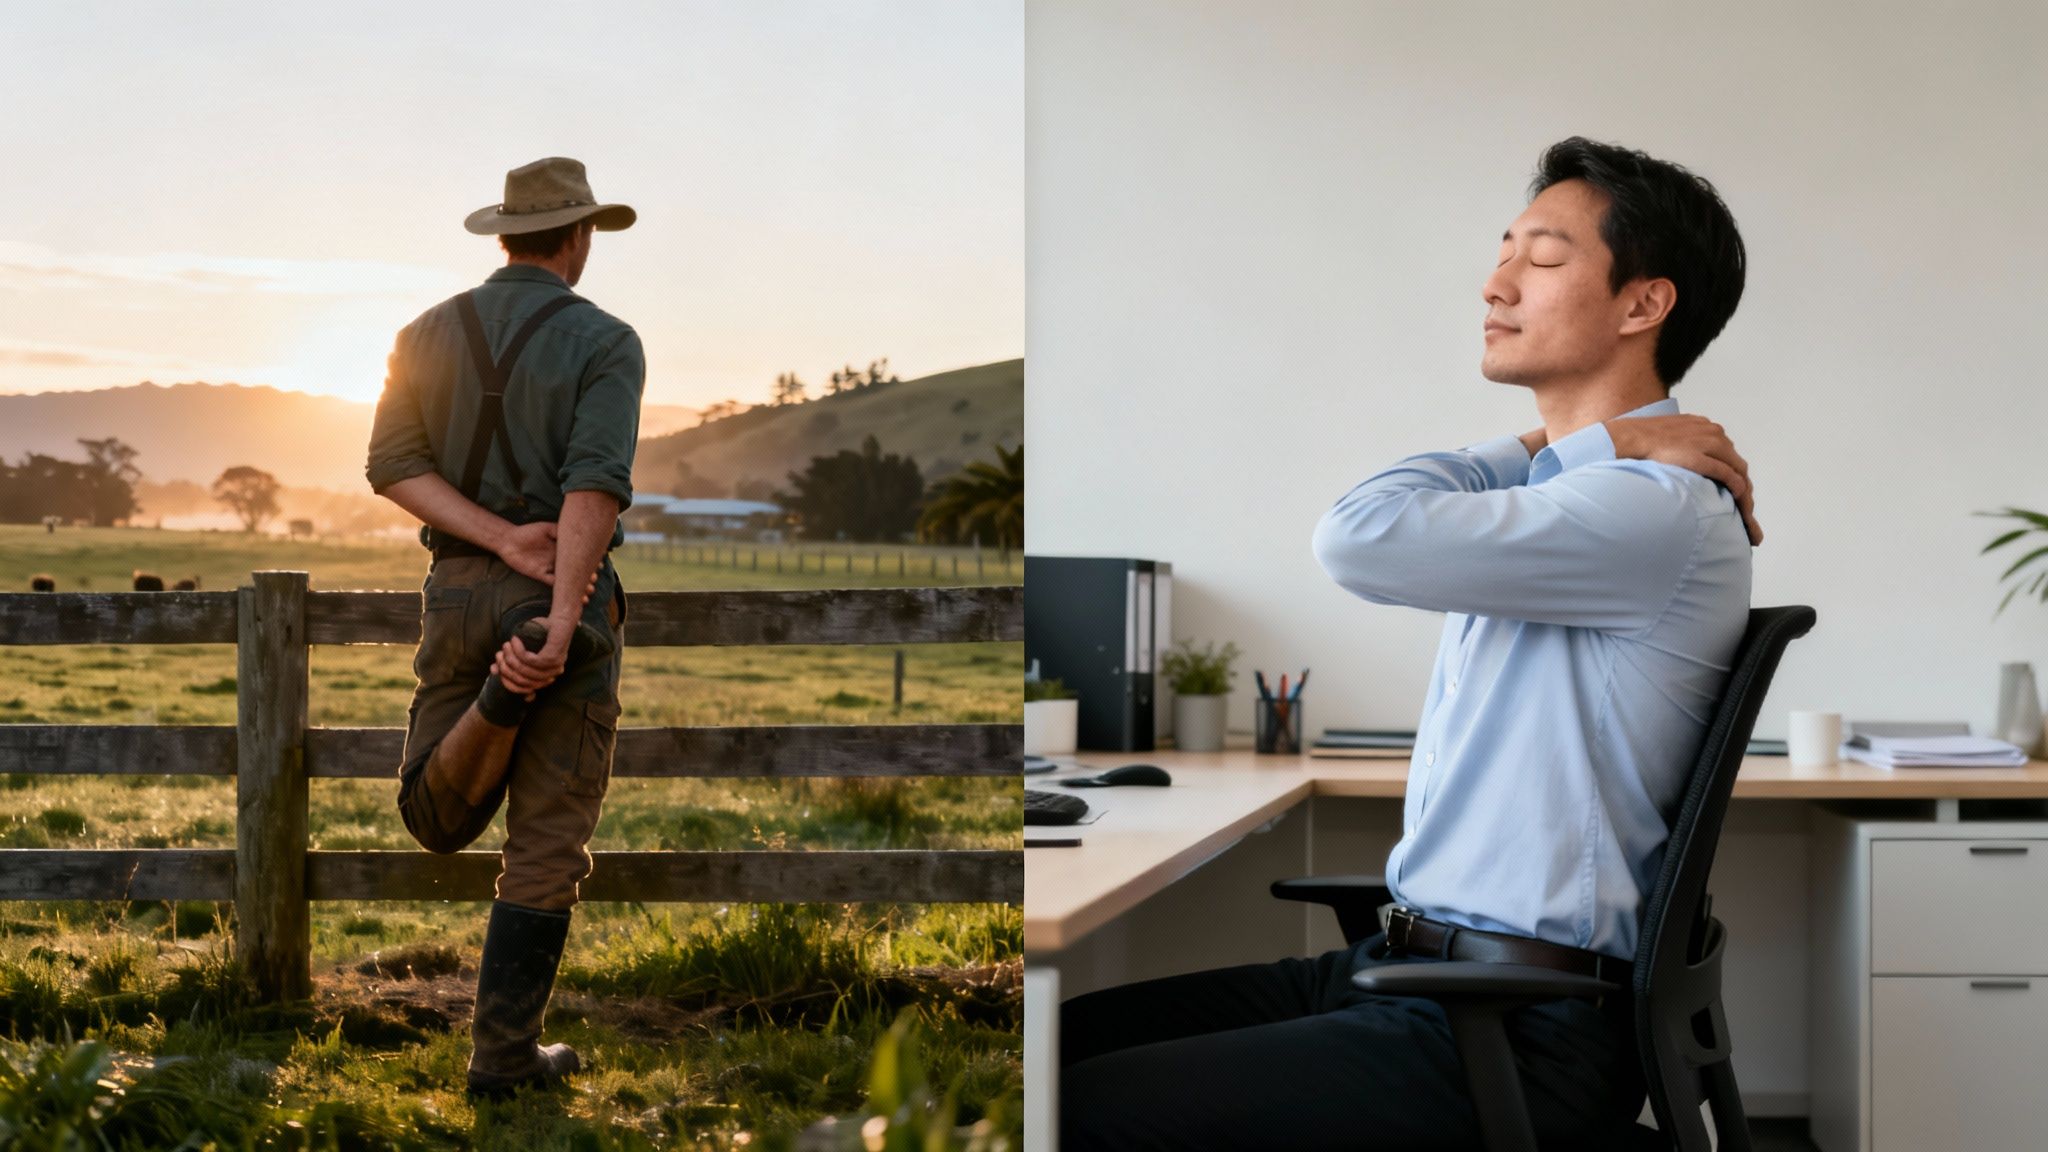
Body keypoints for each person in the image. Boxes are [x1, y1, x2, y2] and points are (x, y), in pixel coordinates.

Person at [1058, 137, 1761, 1149]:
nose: (1495, 282)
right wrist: (1580, 441)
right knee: (1047, 1042)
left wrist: (1599, 447)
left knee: (1071, 1106)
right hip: (1430, 977)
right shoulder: (1581, 489)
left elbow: (1357, 536)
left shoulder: (1645, 509)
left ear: (1641, 304)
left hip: (1511, 1027)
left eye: (1543, 258)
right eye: (1502, 251)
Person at [364, 156, 644, 1099]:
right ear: (580, 237)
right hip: (559, 599)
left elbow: (390, 465)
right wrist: (561, 614)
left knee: (433, 815)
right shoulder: (606, 340)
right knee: (545, 845)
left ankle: (493, 695)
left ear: (504, 236)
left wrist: (490, 539)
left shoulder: (420, 332)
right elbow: (595, 482)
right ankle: (502, 1059)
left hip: (453, 590)